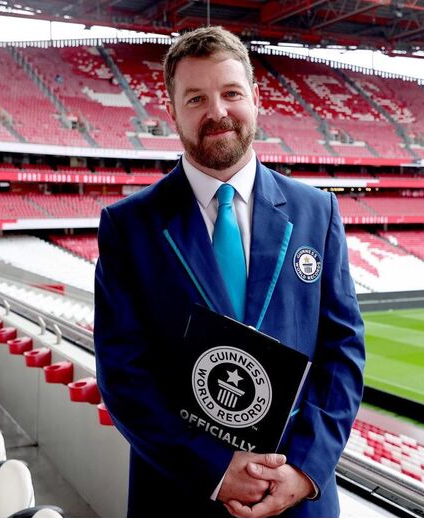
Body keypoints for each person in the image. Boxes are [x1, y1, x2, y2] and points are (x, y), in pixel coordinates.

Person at [94, 26, 365, 518]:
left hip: (295, 498)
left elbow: (342, 353)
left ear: (256, 99)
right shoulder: (128, 227)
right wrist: (216, 470)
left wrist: (304, 470)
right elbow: (123, 377)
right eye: (196, 98)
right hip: (179, 495)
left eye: (231, 93)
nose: (217, 112)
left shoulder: (316, 213)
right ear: (172, 112)